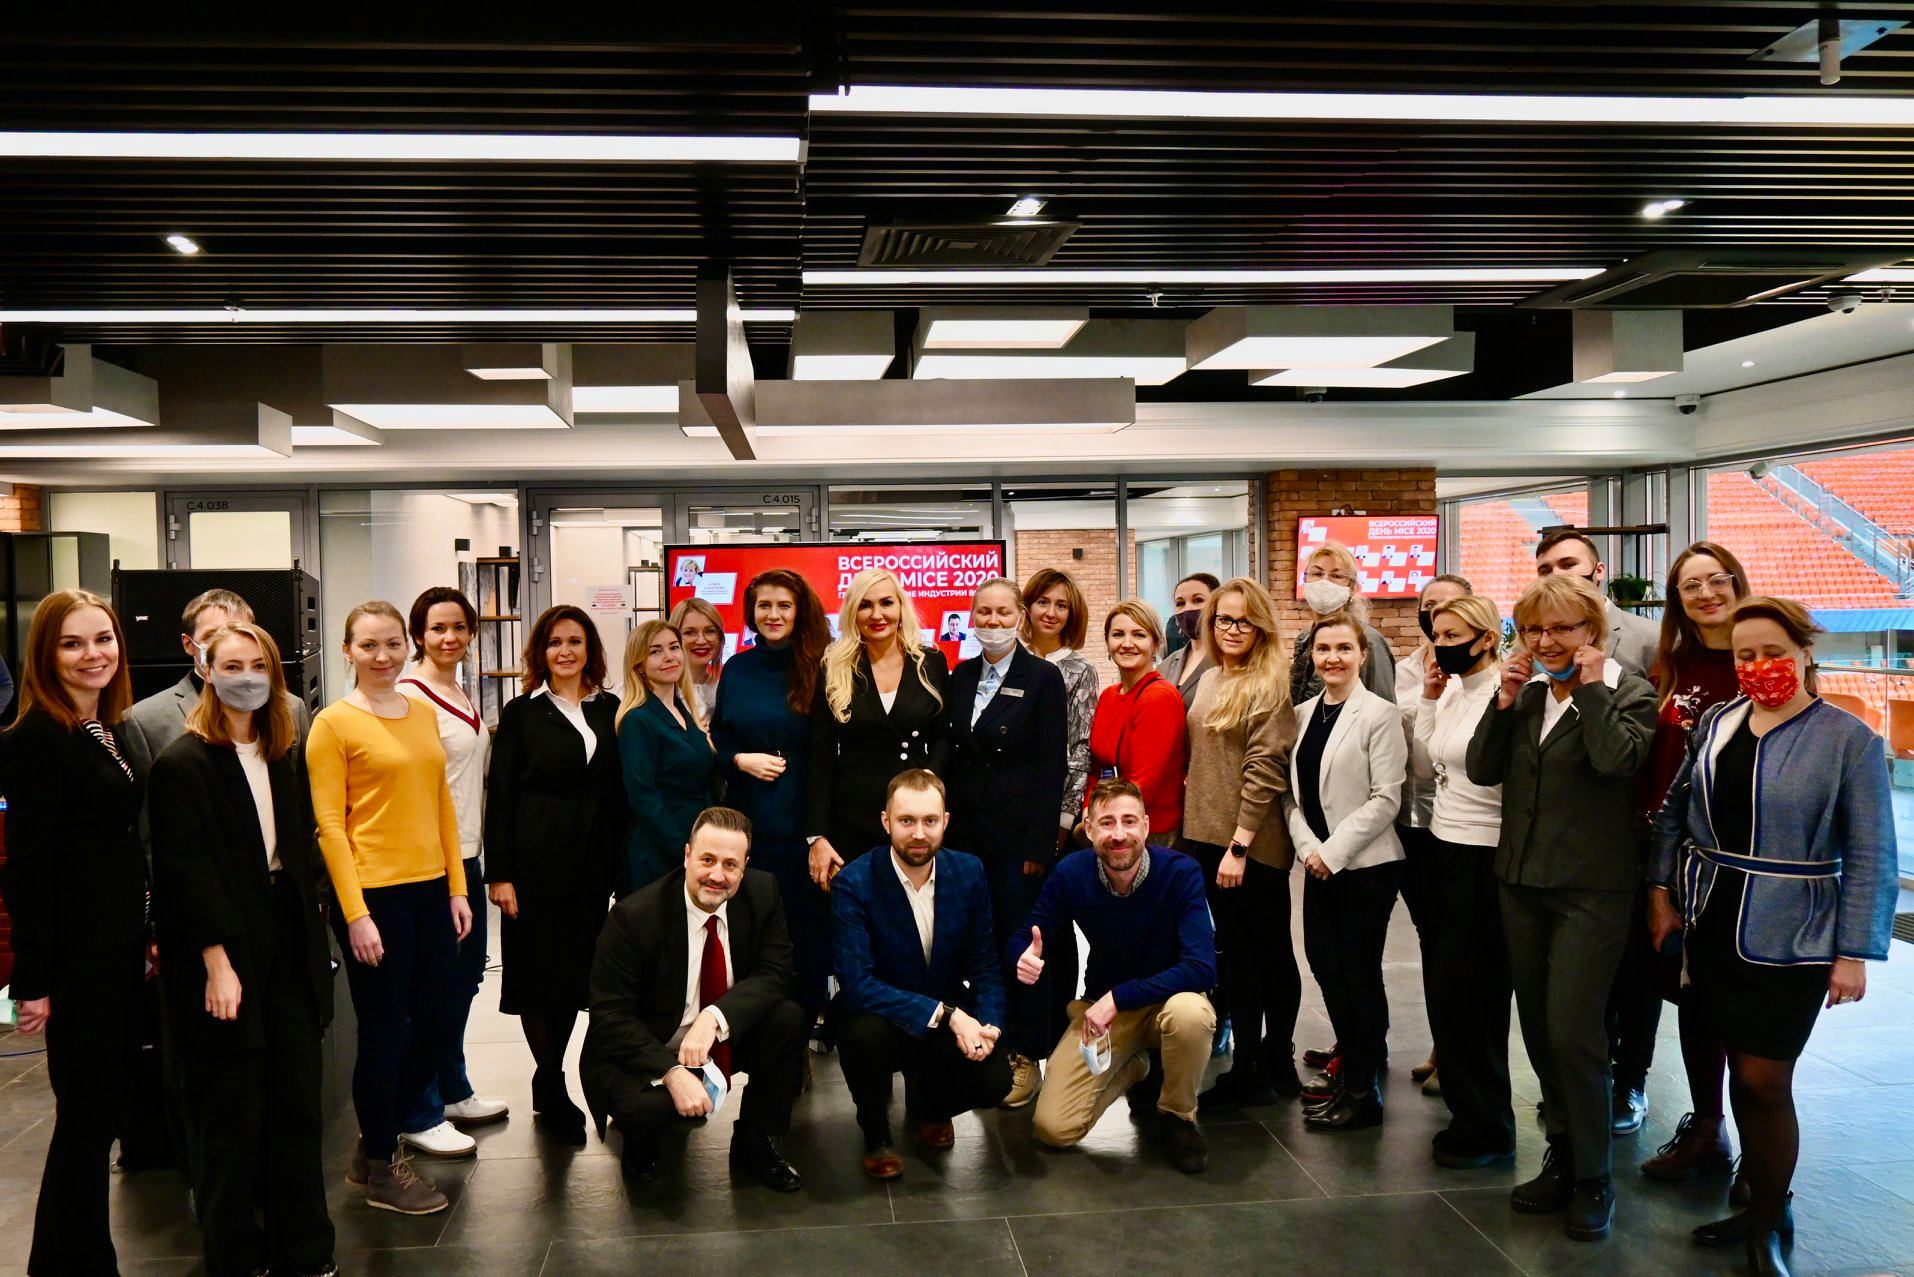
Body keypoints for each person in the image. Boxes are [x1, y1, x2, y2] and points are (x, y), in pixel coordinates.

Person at [1648, 596, 1897, 1277]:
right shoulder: (1720, 722)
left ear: (1804, 653)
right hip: (1710, 917)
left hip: (1795, 932)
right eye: (1745, 654)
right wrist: (1660, 890)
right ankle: (1756, 1197)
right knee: (1733, 1059)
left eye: (1773, 652)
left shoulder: (1848, 739)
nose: (1760, 665)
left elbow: (1872, 852)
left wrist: (1854, 952)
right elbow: (1676, 810)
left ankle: (1769, 1222)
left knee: (1764, 1079)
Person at [1466, 573, 1656, 1243]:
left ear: (1592, 632)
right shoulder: (1528, 695)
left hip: (1591, 890)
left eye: (1561, 629)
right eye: (1534, 630)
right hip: (1522, 883)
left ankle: (1595, 1176)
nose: (1546, 642)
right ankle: (1564, 1153)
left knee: (1576, 1032)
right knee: (1541, 1030)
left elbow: (1616, 761)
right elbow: (1482, 768)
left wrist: (1595, 689)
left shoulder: (1629, 692)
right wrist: (1503, 700)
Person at [148, 621, 336, 1277]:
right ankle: (233, 1256)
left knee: (296, 1105)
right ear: (206, 670)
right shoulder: (182, 764)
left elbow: (300, 848)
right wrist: (217, 962)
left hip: (286, 935)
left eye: (259, 665)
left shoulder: (283, 753)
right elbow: (186, 872)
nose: (247, 676)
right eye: (232, 665)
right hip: (224, 943)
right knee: (230, 1114)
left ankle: (305, 1250)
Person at [307, 601, 472, 1216]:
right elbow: (329, 827)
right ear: (347, 651)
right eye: (369, 646)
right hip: (375, 896)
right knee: (383, 1032)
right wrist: (355, 914)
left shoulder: (421, 712)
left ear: (408, 646)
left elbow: (442, 806)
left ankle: (374, 1139)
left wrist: (457, 887)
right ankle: (380, 1165)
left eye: (393, 644)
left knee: (437, 1023)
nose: (383, 656)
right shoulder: (333, 725)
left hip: (432, 891)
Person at [0, 589, 146, 1273]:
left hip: (112, 949)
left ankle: (60, 1262)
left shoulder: (99, 728)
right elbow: (28, 869)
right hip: (76, 960)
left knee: (95, 1119)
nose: (94, 654)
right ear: (46, 654)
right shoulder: (37, 738)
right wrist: (32, 981)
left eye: (103, 639)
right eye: (73, 643)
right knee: (87, 1120)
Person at [580, 806, 807, 1192]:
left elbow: (777, 972)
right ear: (686, 855)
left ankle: (754, 1138)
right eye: (707, 859)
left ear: (745, 866)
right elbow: (610, 1016)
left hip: (717, 1036)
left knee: (788, 1018)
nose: (717, 875)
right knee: (647, 1110)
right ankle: (640, 1148)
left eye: (730, 864)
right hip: (648, 1045)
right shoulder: (635, 916)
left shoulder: (762, 892)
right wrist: (670, 1072)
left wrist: (713, 1018)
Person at [1010, 779, 1218, 1174]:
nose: (1119, 834)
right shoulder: (1072, 872)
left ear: (1146, 826)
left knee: (1192, 1015)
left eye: (1129, 821)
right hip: (1107, 1013)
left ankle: (1177, 1116)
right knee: (1053, 1128)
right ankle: (1135, 1065)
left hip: (1167, 1003)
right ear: (1089, 830)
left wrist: (1119, 996)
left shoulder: (1180, 872)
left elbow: (1202, 967)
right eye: (1106, 823)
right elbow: (1029, 932)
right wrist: (1021, 956)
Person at [1635, 543, 1753, 1188]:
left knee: (1744, 1009)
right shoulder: (1670, 667)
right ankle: (1707, 1127)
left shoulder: (1764, 662)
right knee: (1692, 995)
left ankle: (1762, 1149)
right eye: (1691, 586)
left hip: (1739, 859)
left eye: (1716, 580)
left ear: (1737, 584)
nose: (1706, 594)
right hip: (1669, 856)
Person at [486, 604, 626, 1144]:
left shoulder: (611, 708)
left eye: (575, 641)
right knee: (537, 978)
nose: (565, 651)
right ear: (540, 653)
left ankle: (551, 1076)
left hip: (591, 866)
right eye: (554, 643)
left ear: (590, 649)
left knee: (573, 978)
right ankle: (549, 1080)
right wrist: (500, 874)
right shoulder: (522, 712)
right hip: (535, 864)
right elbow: (501, 797)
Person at [831, 770, 1012, 1178]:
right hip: (879, 1014)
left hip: (942, 1010)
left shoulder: (969, 871)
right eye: (906, 820)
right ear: (886, 822)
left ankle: (932, 1106)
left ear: (945, 821)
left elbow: (985, 963)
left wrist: (990, 1025)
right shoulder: (855, 882)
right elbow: (858, 985)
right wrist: (947, 1014)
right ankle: (876, 1131)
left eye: (930, 821)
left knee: (995, 1079)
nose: (918, 833)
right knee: (862, 1036)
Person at [944, 578, 1068, 1105]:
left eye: (1001, 613)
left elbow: (1053, 766)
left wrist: (1039, 847)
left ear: (1020, 616)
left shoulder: (1042, 678)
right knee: (977, 946)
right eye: (983, 613)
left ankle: (1025, 1053)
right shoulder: (960, 675)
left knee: (1021, 948)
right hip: (965, 840)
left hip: (1018, 843)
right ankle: (986, 1044)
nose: (991, 622)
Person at [1182, 576, 1303, 1104]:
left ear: (1261, 629)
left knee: (1262, 955)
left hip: (1247, 845)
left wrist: (1239, 847)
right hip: (1209, 837)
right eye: (1223, 619)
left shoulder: (1267, 684)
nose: (1232, 629)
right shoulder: (1213, 677)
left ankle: (1258, 1068)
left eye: (1244, 621)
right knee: (1240, 955)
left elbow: (1264, 770)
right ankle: (1265, 1063)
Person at [1286, 616, 1406, 1133]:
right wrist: (1310, 848)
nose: (1332, 658)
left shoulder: (1380, 714)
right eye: (1323, 649)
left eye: (1343, 648)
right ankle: (1350, 1070)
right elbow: (1291, 796)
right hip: (1318, 864)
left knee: (1358, 974)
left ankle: (1363, 1089)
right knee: (1324, 965)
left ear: (1363, 654)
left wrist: (1332, 852)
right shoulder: (1302, 714)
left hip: (1366, 866)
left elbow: (1387, 798)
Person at [398, 587, 508, 1145]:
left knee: (463, 979)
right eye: (437, 628)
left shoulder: (458, 689)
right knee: (431, 988)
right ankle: (418, 1112)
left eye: (459, 627)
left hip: (467, 853)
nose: (449, 637)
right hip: (431, 860)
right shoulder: (409, 696)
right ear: (418, 634)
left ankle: (451, 1086)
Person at [1412, 593, 1516, 1169]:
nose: (1441, 645)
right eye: (1437, 635)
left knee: (1476, 995)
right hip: (1444, 844)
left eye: (1453, 636)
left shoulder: (1505, 693)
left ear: (1486, 639)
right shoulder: (1453, 689)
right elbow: (1429, 764)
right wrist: (1430, 700)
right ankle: (1466, 1108)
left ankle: (1489, 1124)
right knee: (1447, 989)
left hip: (1485, 853)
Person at [710, 569, 834, 1038]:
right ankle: (763, 1033)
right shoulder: (737, 669)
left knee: (808, 937)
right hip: (749, 827)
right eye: (764, 605)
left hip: (805, 829)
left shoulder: (823, 666)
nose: (774, 614)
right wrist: (739, 759)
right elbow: (718, 738)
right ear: (751, 612)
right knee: (755, 935)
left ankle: (804, 1029)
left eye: (784, 605)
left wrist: (819, 833)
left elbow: (829, 753)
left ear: (799, 611)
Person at [806, 568, 951, 892]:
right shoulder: (834, 666)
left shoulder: (930, 662)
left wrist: (929, 779)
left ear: (901, 607)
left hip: (915, 819)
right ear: (852, 613)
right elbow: (820, 756)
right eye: (865, 605)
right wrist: (817, 835)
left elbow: (944, 737)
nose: (877, 614)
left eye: (886, 603)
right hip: (852, 821)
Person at [120, 587, 312, 831]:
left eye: (237, 632)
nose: (227, 644)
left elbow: (304, 806)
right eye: (213, 635)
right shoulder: (145, 721)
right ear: (188, 644)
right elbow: (148, 823)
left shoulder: (291, 708)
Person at [1391, 573, 1473, 1095]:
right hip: (1412, 820)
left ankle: (1459, 1054)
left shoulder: (1475, 674)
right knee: (1430, 939)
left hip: (1460, 825)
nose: (1435, 615)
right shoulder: (1404, 669)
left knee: (1457, 945)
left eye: (1448, 607)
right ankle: (1442, 1043)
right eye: (1429, 606)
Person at [616, 619, 718, 896]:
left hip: (696, 843)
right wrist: (683, 850)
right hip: (658, 852)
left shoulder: (684, 712)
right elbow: (643, 798)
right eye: (655, 651)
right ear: (639, 664)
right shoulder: (638, 719)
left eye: (674, 647)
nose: (669, 657)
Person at [1089, 600, 1189, 840]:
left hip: (1147, 831)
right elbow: (1096, 767)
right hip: (1107, 823)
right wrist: (1088, 815)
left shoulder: (1159, 697)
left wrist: (1099, 821)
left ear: (1156, 645)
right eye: (1118, 634)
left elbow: (1143, 785)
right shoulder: (1109, 695)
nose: (1127, 643)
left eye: (1139, 635)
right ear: (1107, 643)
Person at [1020, 567, 1099, 844]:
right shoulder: (1009, 661)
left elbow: (1080, 749)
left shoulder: (1081, 670)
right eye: (1043, 602)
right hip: (1008, 801)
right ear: (1027, 607)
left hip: (1055, 804)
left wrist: (1065, 819)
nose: (1051, 613)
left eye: (1061, 605)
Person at [1534, 528, 1660, 676]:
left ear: (1599, 571)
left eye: (1568, 565)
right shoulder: (1532, 640)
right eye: (1545, 571)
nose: (1556, 575)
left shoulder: (1652, 637)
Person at [1292, 543, 1397, 705]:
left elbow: (1383, 708)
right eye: (1317, 573)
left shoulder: (1368, 640)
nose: (1324, 582)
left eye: (1336, 576)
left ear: (1352, 587)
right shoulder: (1304, 639)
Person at [1157, 572, 1219, 696]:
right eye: (1180, 603)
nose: (1187, 608)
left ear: (1216, 605)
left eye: (1198, 600)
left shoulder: (1229, 660)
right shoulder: (1166, 665)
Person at [669, 596, 726, 720]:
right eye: (690, 633)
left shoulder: (725, 692)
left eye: (710, 631)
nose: (701, 641)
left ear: (720, 638)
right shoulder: (656, 691)